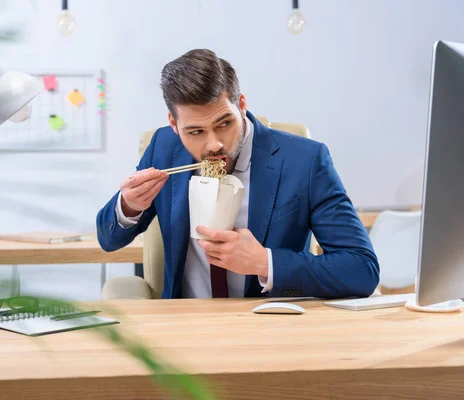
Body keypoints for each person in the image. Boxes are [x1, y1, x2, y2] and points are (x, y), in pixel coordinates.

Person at [96, 49, 379, 299]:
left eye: (224, 123)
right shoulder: (163, 147)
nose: (213, 144)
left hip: (269, 325)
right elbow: (109, 240)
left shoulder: (305, 160)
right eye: (195, 131)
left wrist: (264, 262)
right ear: (174, 124)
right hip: (184, 325)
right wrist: (129, 205)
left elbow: (362, 269)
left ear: (241, 105)